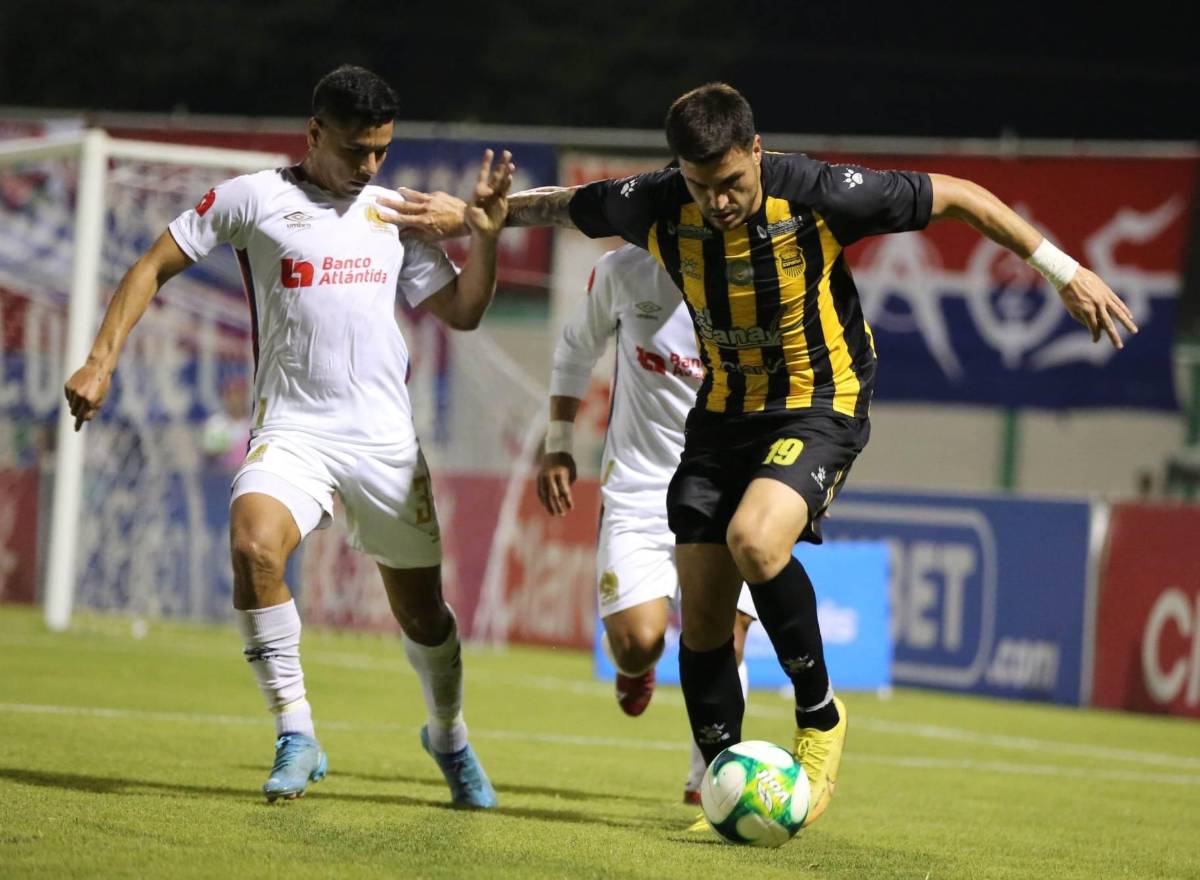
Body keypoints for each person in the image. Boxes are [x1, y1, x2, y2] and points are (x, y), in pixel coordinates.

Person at [381, 81, 1138, 827]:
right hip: (723, 414)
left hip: (820, 398)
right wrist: (476, 216)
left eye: (732, 182)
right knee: (704, 622)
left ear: (755, 149)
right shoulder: (654, 203)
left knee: (754, 539)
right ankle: (722, 784)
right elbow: (561, 205)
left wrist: (1065, 273)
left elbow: (963, 196)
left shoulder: (818, 192)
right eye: (701, 185)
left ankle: (821, 716)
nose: (718, 201)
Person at [63, 65, 514, 808]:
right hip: (293, 430)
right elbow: (152, 264)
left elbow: (462, 312)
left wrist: (486, 241)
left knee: (424, 616)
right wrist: (100, 359)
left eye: (382, 150)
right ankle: (296, 731)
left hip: (384, 443)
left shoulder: (395, 212)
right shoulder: (253, 199)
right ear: (314, 132)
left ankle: (449, 735)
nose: (371, 165)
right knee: (253, 546)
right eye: (356, 149)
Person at [537, 243, 756, 804]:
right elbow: (575, 347)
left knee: (726, 635)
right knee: (638, 642)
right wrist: (558, 443)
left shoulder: (759, 274)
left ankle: (710, 775)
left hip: (726, 487)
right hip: (639, 489)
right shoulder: (625, 270)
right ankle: (634, 666)